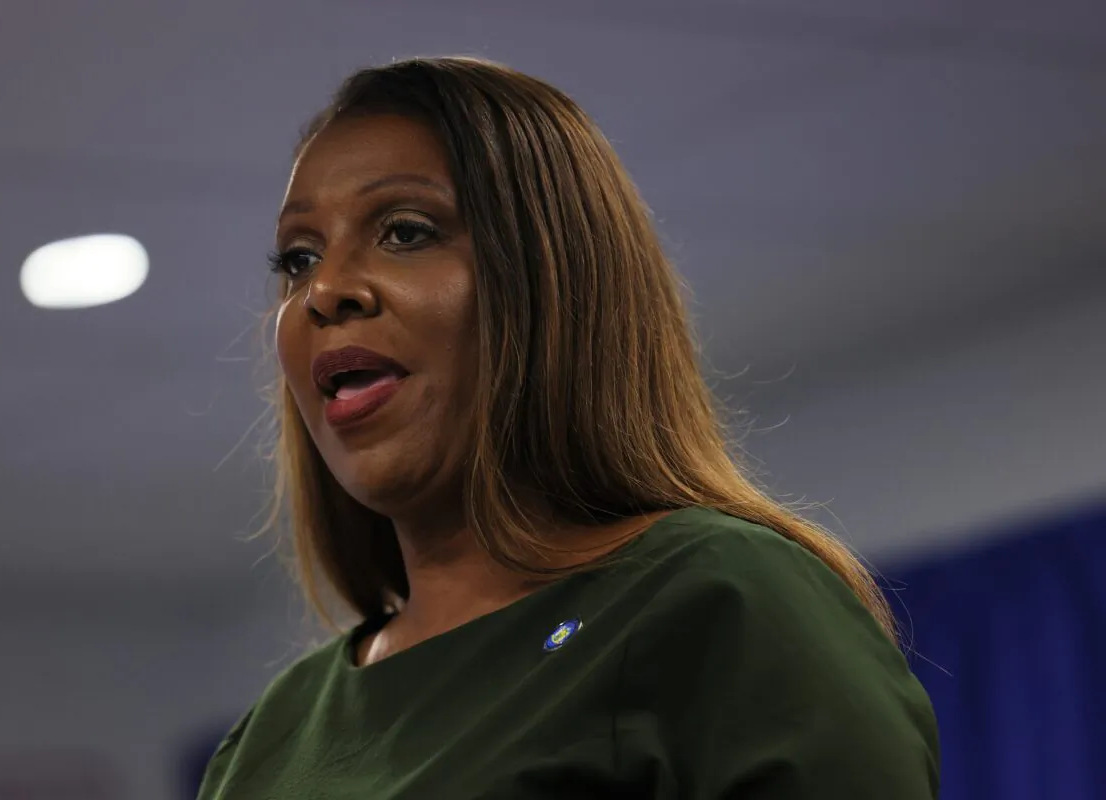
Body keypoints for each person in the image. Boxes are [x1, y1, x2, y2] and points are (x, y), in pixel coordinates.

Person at [197, 56, 939, 799]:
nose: (325, 291)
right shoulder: (271, 738)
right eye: (299, 258)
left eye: (405, 232)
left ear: (551, 278)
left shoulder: (715, 598)